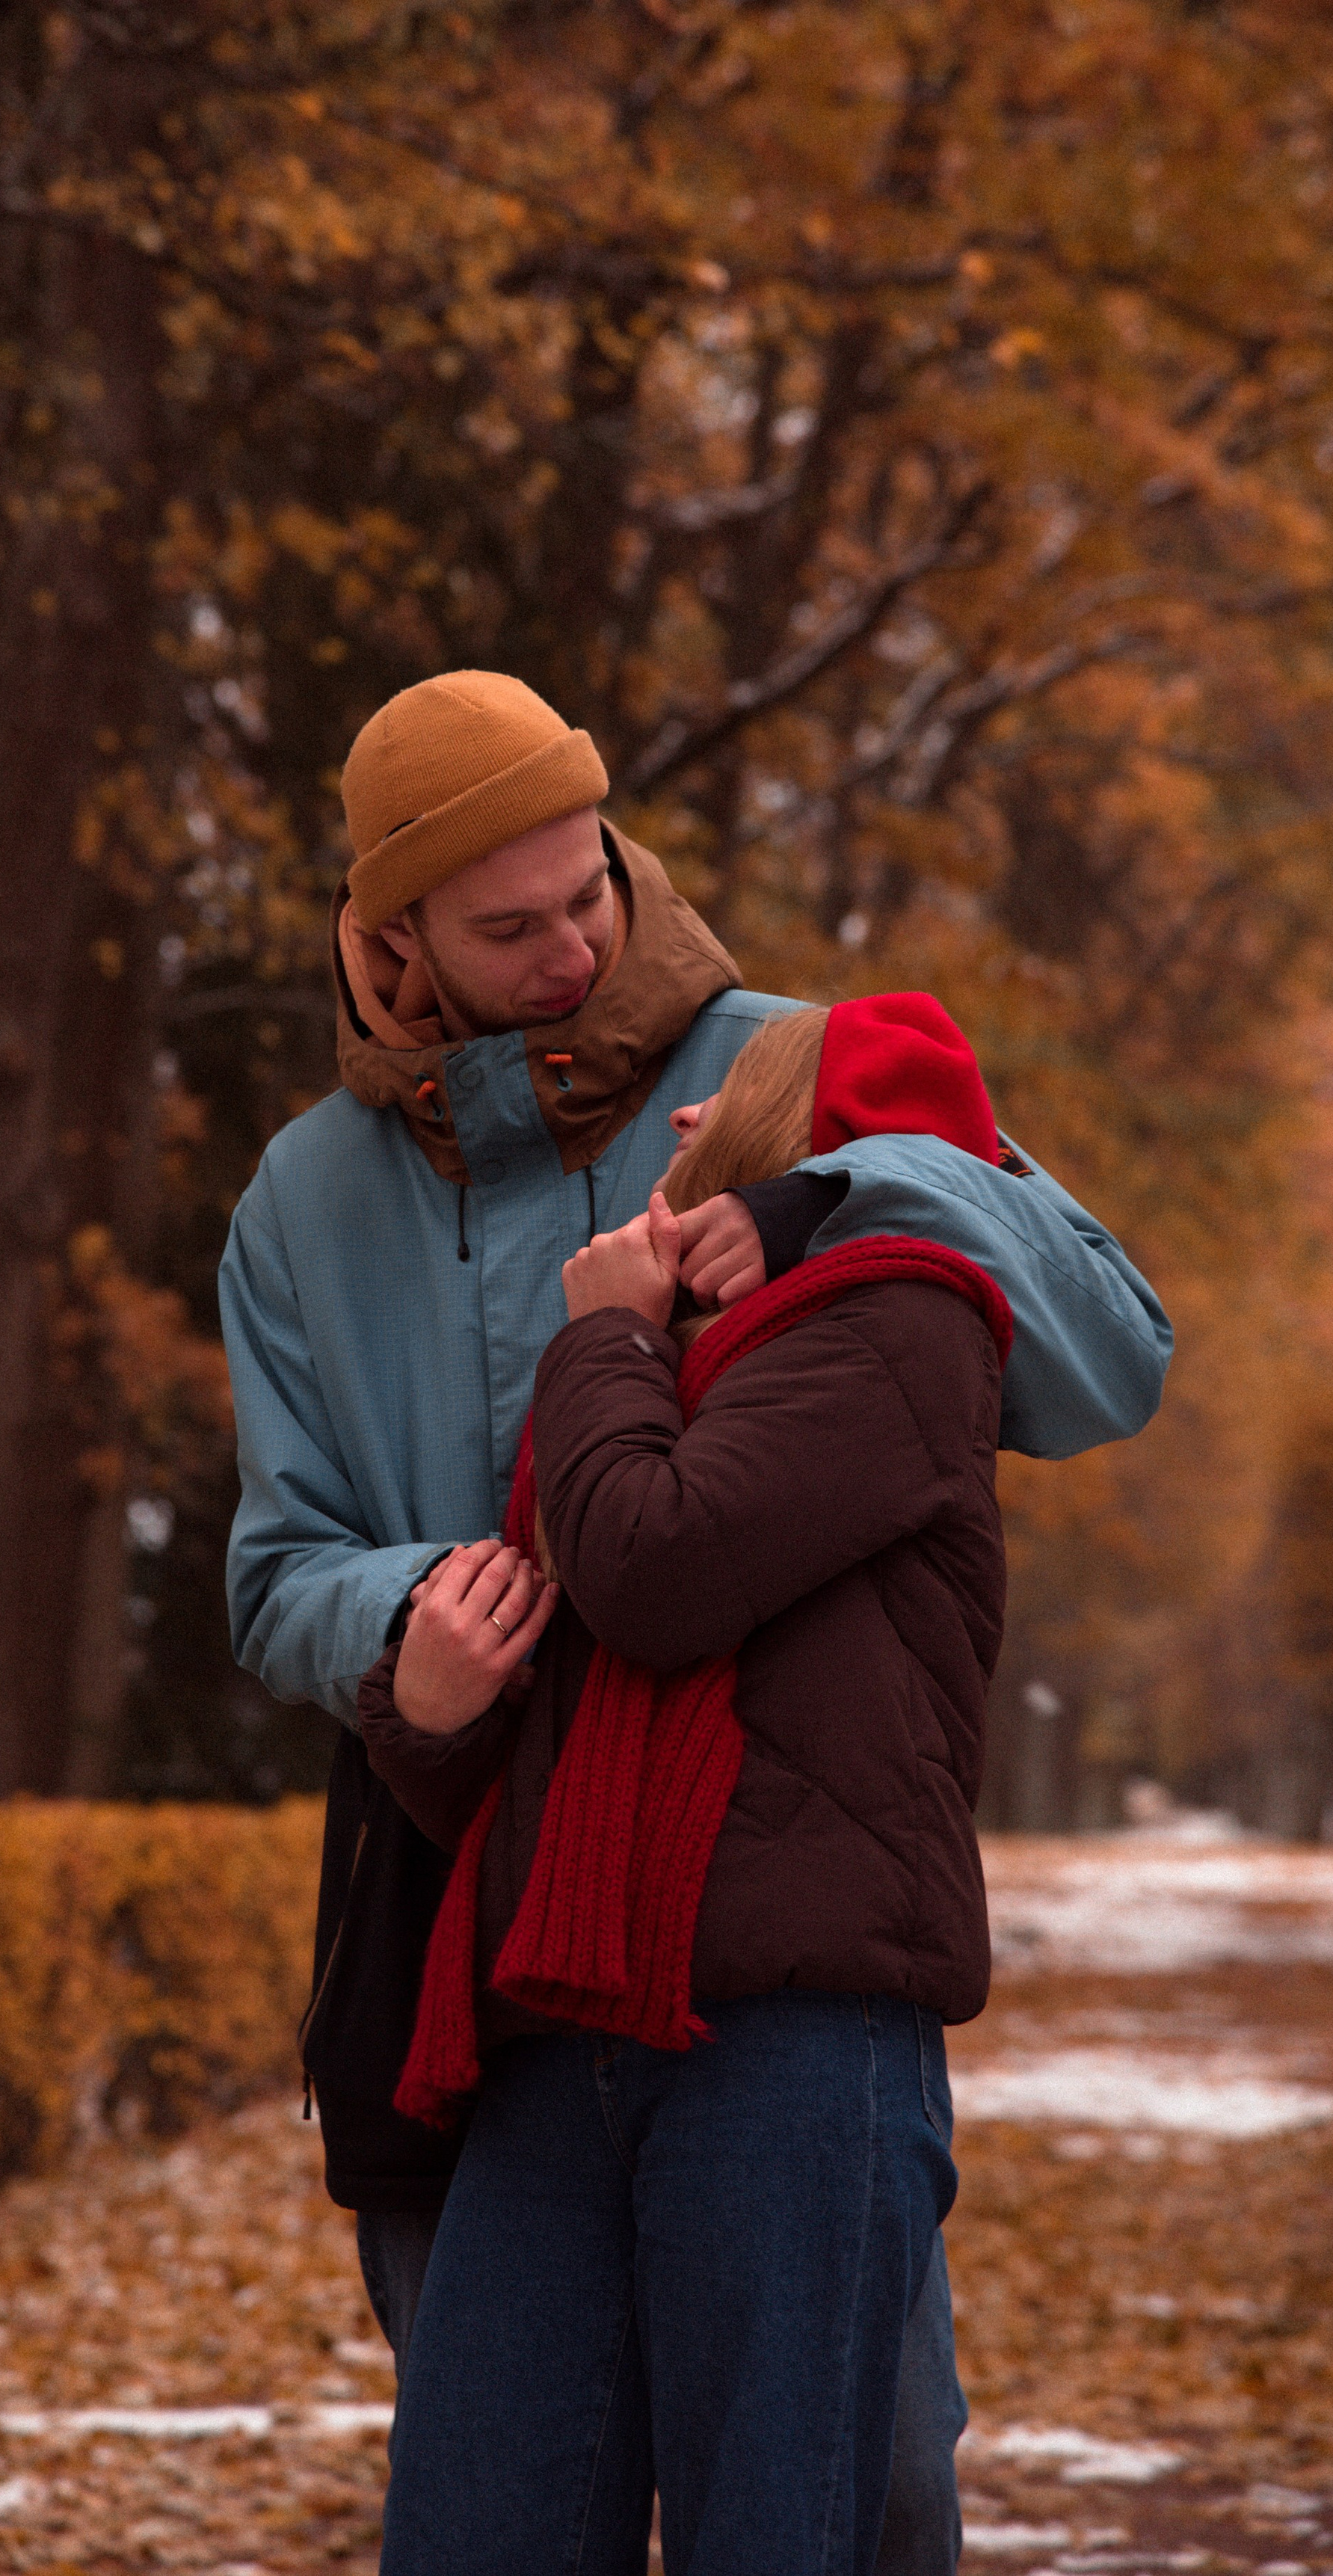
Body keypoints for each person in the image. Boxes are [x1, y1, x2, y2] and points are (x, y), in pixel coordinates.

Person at [218, 669, 1171, 2573]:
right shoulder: (301, 1203)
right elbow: (271, 1566)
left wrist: (838, 1188)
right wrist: (400, 1621)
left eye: (590, 889)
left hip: (768, 1910)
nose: (572, 946)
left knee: (855, 2496)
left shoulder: (789, 1071)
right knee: (496, 2506)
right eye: (508, 926)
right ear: (390, 933)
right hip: (480, 1904)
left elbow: (1104, 1359)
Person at [359, 995, 1012, 2573]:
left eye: (724, 1103)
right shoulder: (659, 1366)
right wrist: (427, 1712)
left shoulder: (903, 1327)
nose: (678, 1128)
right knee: (473, 2533)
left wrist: (592, 1334)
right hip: (556, 2032)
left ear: (794, 1137)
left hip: (786, 2052)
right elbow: (538, 1768)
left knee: (770, 2540)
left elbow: (653, 1571)